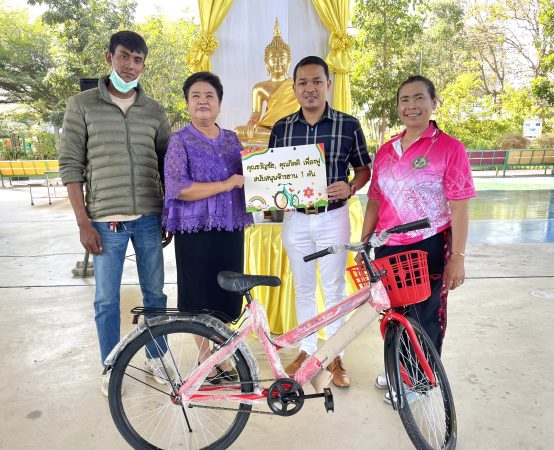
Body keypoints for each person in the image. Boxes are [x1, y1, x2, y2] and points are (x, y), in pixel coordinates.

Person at [59, 30, 173, 396]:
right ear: (109, 57)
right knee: (106, 299)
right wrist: (83, 223)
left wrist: (169, 213)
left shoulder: (154, 110)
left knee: (155, 294)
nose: (130, 65)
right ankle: (111, 364)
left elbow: (167, 166)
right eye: (124, 56)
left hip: (149, 218)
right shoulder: (82, 105)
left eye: (138, 60)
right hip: (105, 221)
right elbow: (71, 166)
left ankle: (157, 357)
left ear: (143, 65)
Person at [357, 75, 476, 403]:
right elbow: (375, 200)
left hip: (429, 245)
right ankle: (400, 368)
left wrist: (458, 257)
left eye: (419, 98)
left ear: (433, 103)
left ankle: (420, 381)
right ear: (398, 107)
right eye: (404, 100)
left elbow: (460, 208)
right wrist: (365, 242)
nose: (412, 106)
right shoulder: (386, 151)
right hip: (386, 246)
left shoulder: (449, 148)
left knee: (425, 315)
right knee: (393, 313)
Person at [268, 56, 372, 387]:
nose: (310, 88)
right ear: (294, 88)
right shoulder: (282, 128)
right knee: (303, 287)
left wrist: (351, 186)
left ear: (328, 84)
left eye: (316, 81)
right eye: (302, 82)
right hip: (295, 220)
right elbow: (273, 174)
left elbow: (364, 169)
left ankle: (335, 356)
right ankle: (307, 350)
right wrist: (271, 194)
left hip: (333, 217)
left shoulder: (348, 124)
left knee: (334, 288)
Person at [162, 72, 252, 378]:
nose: (203, 101)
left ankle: (221, 354)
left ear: (219, 103)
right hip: (195, 231)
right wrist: (225, 184)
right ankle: (205, 359)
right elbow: (178, 188)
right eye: (196, 96)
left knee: (226, 293)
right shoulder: (179, 141)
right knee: (199, 295)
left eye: (209, 96)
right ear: (187, 103)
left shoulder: (231, 139)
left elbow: (249, 178)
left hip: (229, 228)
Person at [234, 19, 299, 143]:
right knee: (238, 132)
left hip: (292, 128)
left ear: (288, 62)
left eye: (282, 58)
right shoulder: (260, 87)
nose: (278, 63)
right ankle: (280, 139)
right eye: (273, 59)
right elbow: (256, 113)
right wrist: (251, 122)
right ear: (267, 62)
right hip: (268, 129)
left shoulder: (296, 85)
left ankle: (280, 138)